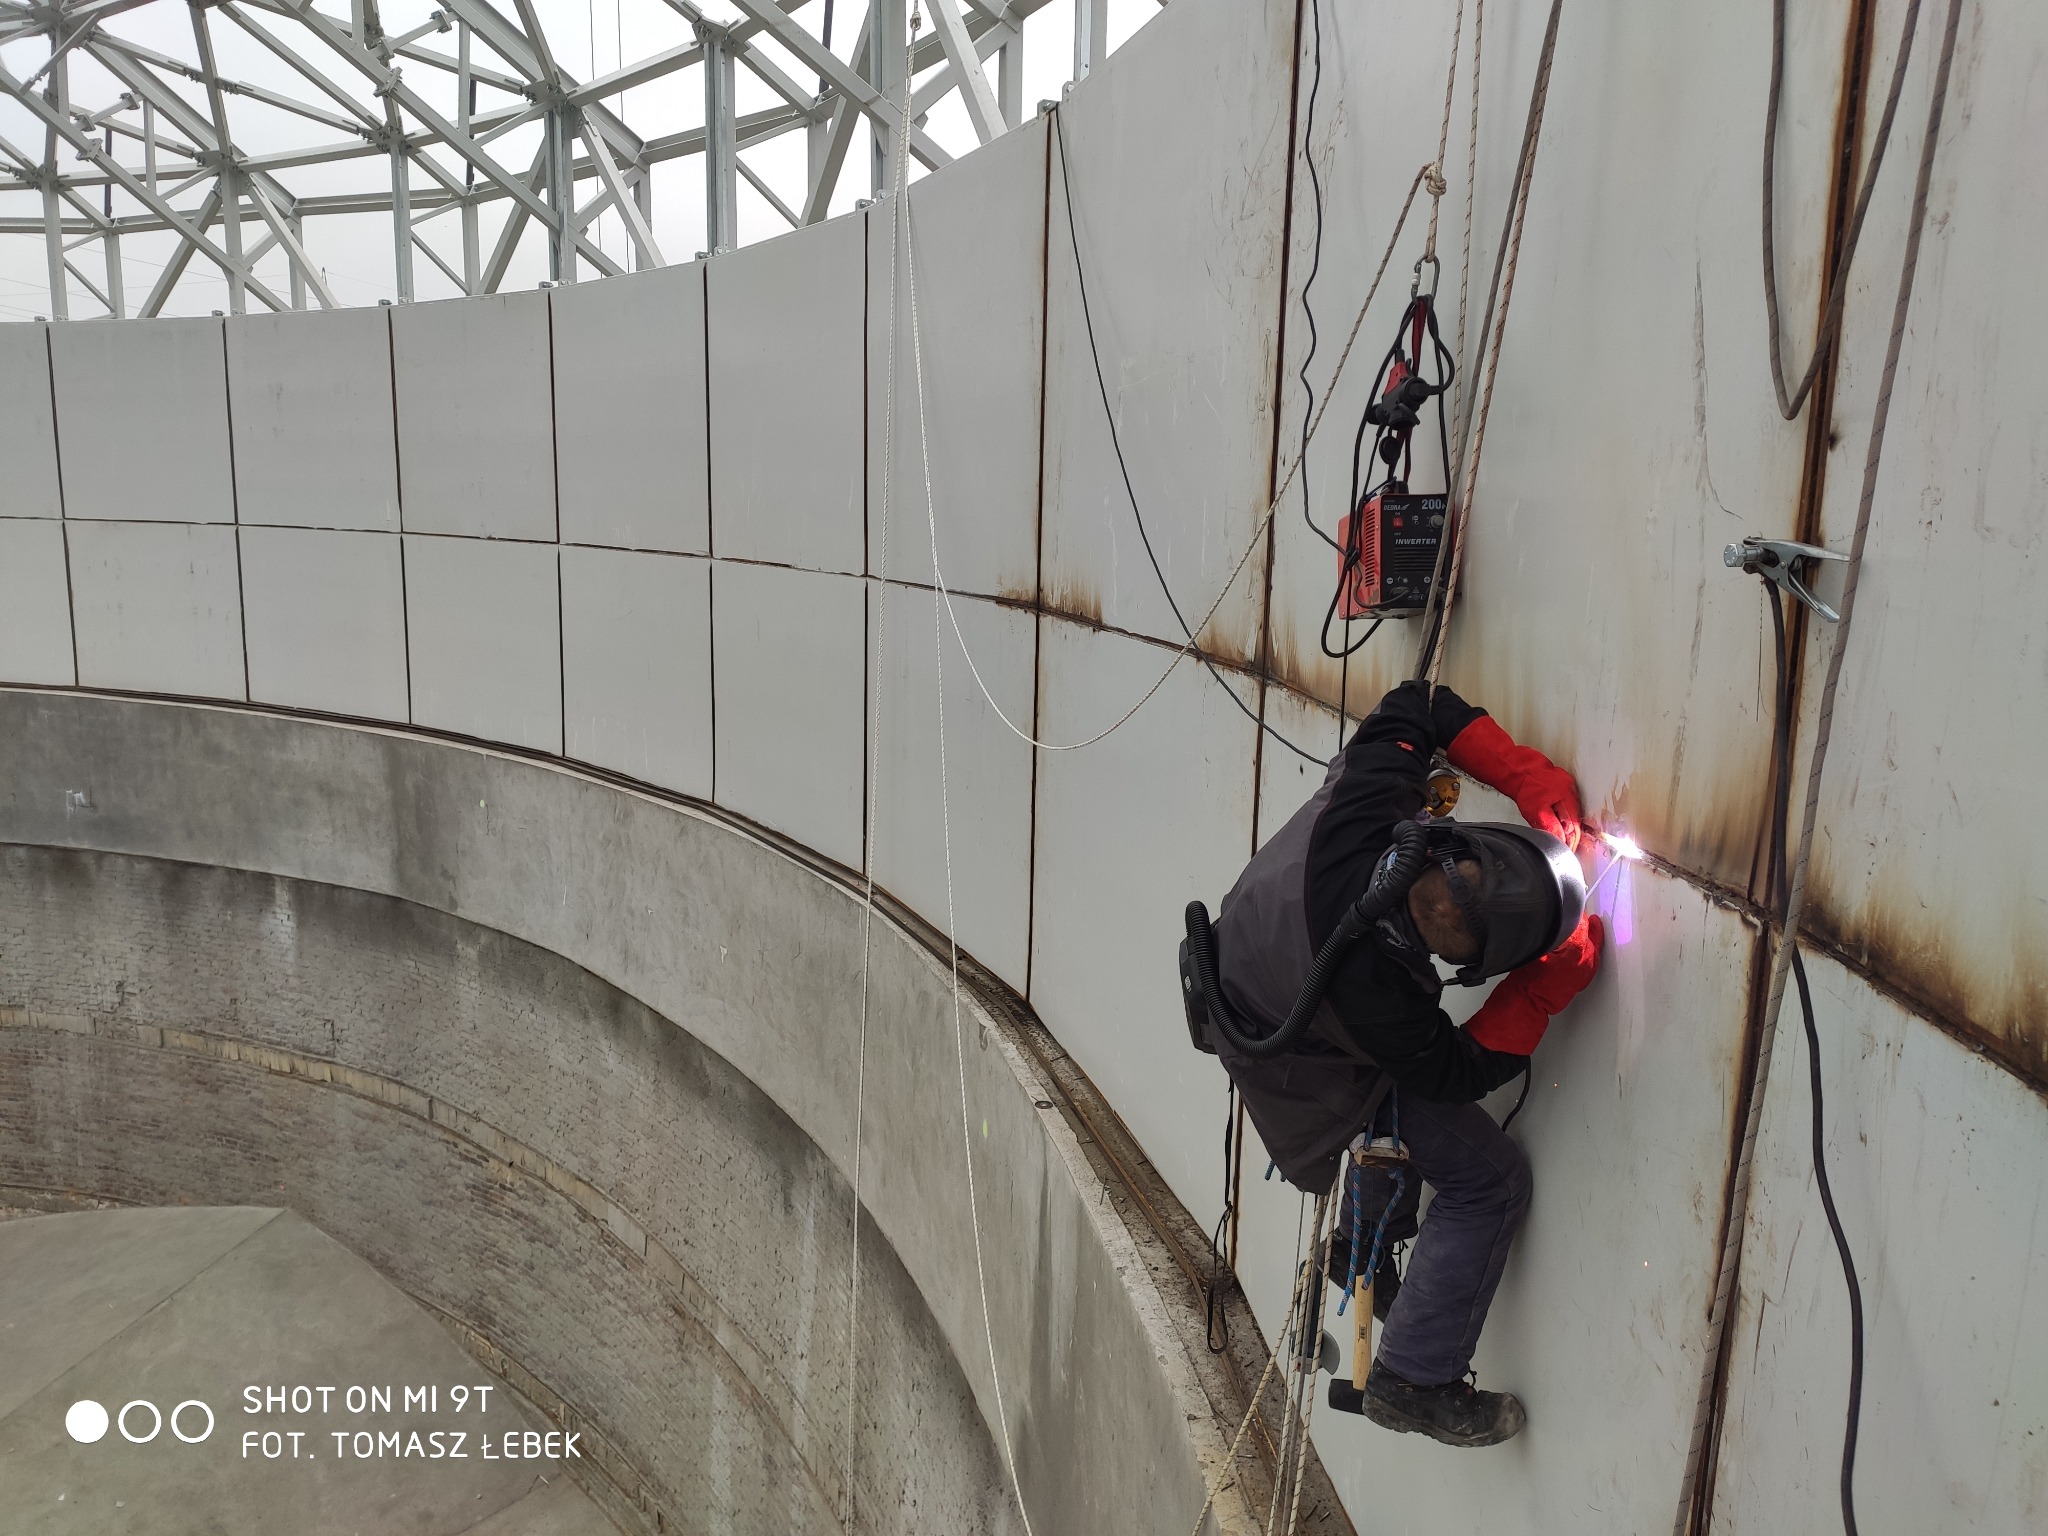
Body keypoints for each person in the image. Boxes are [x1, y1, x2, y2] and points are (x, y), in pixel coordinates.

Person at [1209, 679, 1604, 1447]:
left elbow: (1415, 705)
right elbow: (1451, 1073)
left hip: (1248, 953)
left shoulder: (1369, 810)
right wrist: (1543, 989)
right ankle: (1415, 1378)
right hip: (1285, 1045)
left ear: (1445, 840)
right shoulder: (1378, 1001)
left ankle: (1356, 1248)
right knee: (1488, 1180)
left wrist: (1526, 776)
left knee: (1397, 1097)